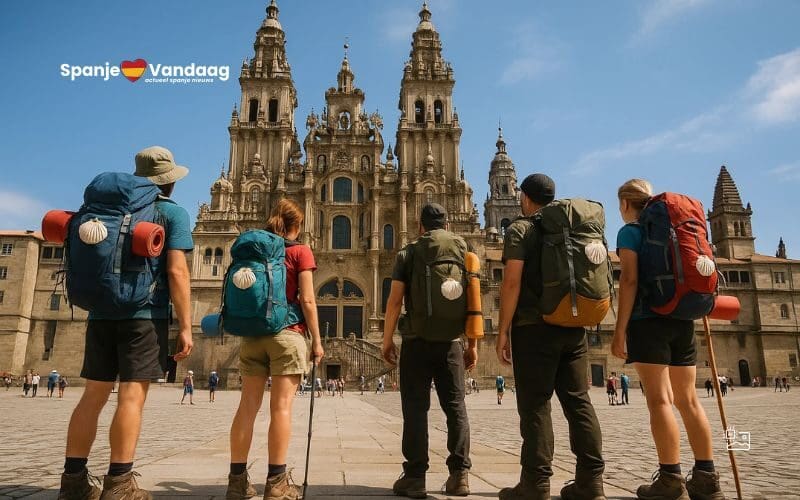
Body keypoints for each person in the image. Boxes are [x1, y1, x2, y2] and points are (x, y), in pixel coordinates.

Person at [59, 146, 194, 500]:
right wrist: (185, 326)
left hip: (101, 313)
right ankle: (119, 484)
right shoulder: (172, 213)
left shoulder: (105, 212)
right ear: (170, 182)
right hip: (144, 317)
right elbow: (178, 272)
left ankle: (72, 481)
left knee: (92, 396)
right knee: (131, 398)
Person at [612, 178, 724, 499]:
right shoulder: (674, 230)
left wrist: (620, 330)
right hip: (682, 320)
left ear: (625, 204)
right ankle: (707, 478)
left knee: (660, 400)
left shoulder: (630, 232)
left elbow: (629, 280)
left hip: (649, 323)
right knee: (688, 400)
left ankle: (671, 479)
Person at [496, 174, 606, 500]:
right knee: (578, 401)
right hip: (573, 327)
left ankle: (536, 482)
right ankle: (591, 480)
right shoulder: (570, 230)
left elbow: (511, 283)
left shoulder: (521, 229)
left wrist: (502, 331)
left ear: (525, 198)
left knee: (535, 406)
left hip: (534, 329)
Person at [226, 198, 324, 500]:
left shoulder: (259, 251)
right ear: (298, 225)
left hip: (253, 335)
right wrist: (317, 341)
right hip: (287, 334)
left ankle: (237, 481)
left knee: (246, 408)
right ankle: (277, 482)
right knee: (280, 408)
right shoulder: (299, 251)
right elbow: (307, 300)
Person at [382, 203, 478, 498]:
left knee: (415, 409)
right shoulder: (464, 249)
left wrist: (387, 340)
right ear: (447, 224)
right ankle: (459, 475)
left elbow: (395, 301)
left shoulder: (408, 252)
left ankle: (414, 477)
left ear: (419, 225)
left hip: (416, 341)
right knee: (455, 408)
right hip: (451, 342)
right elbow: (474, 296)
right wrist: (472, 343)